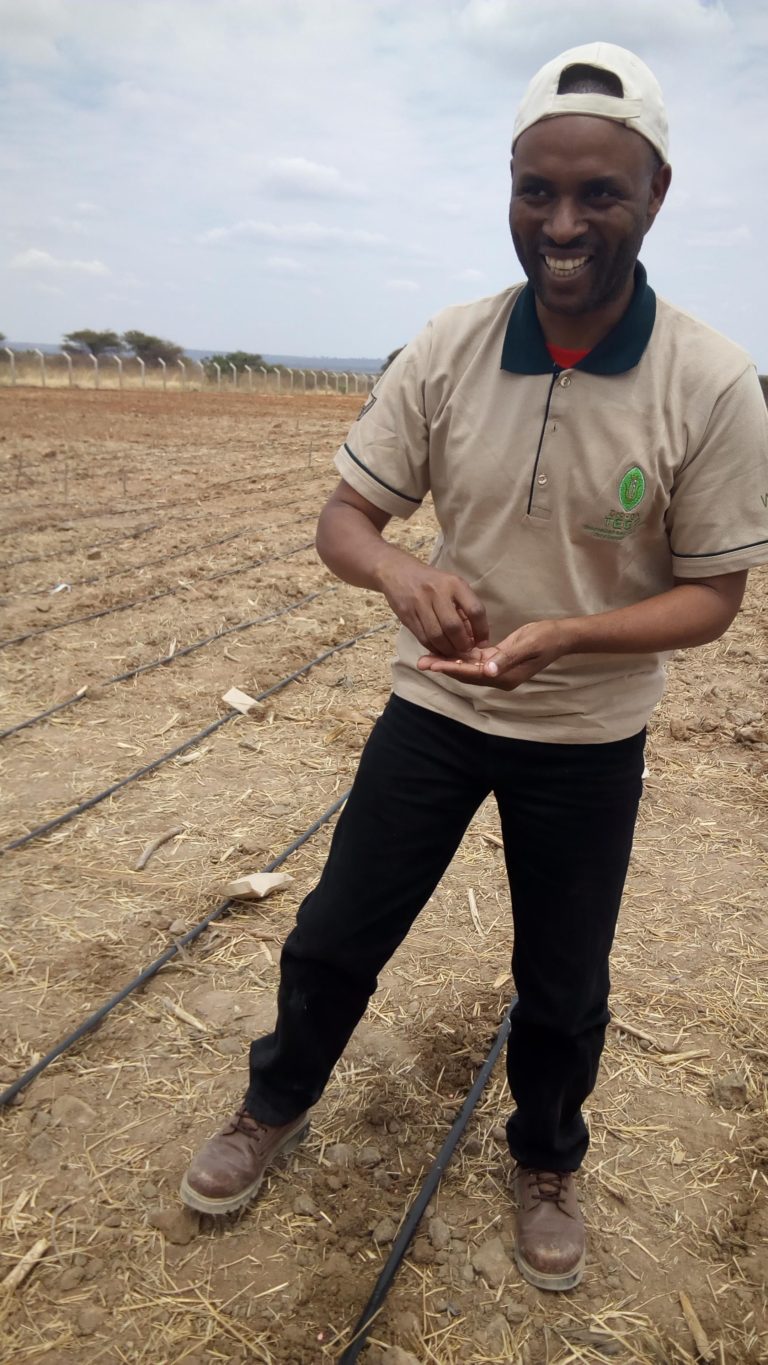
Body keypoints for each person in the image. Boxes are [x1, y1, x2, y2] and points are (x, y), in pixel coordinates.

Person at [180, 42, 768, 1291]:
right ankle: (271, 1106)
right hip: (436, 704)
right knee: (338, 930)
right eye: (535, 190)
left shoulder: (711, 382)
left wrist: (570, 636)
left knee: (563, 978)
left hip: (589, 730)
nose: (563, 225)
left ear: (657, 194)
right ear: (509, 185)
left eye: (599, 194)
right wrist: (400, 576)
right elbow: (347, 519)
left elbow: (714, 597)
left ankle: (547, 1160)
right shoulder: (449, 345)